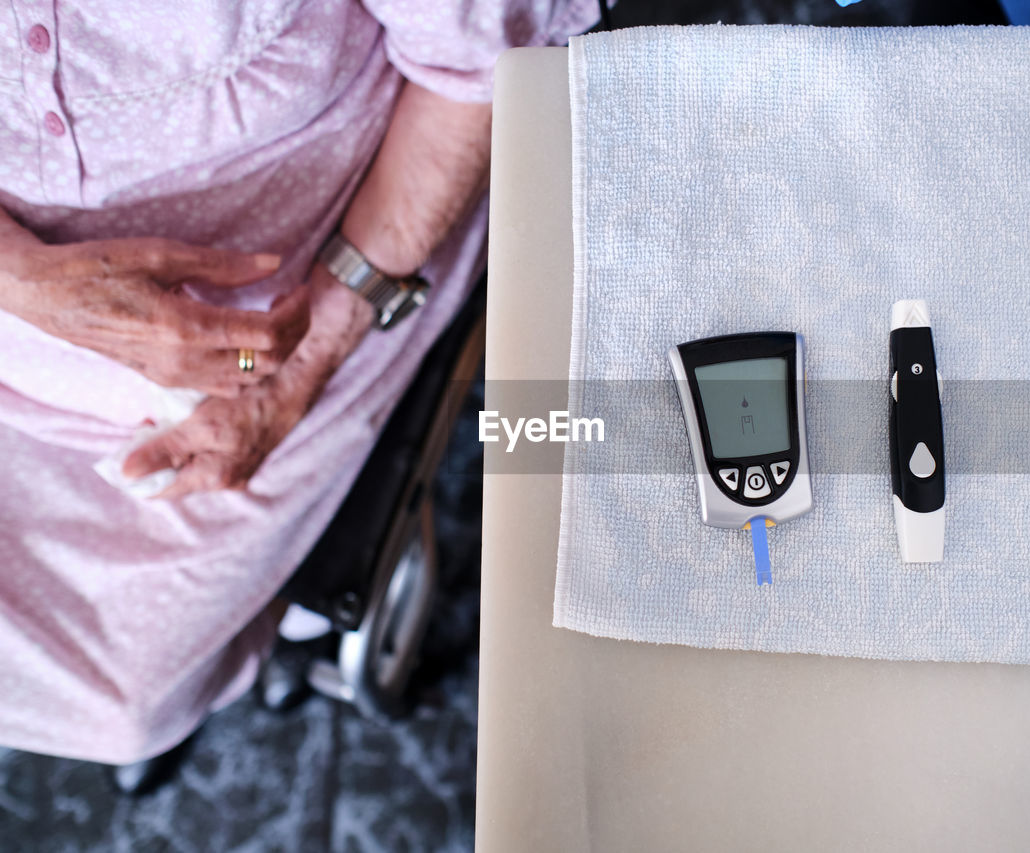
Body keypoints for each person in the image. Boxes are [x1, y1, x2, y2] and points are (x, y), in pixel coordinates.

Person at [0, 0, 600, 765]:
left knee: (116, 704)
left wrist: (288, 376)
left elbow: (481, 72)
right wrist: (18, 278)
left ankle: (260, 612)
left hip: (275, 340)